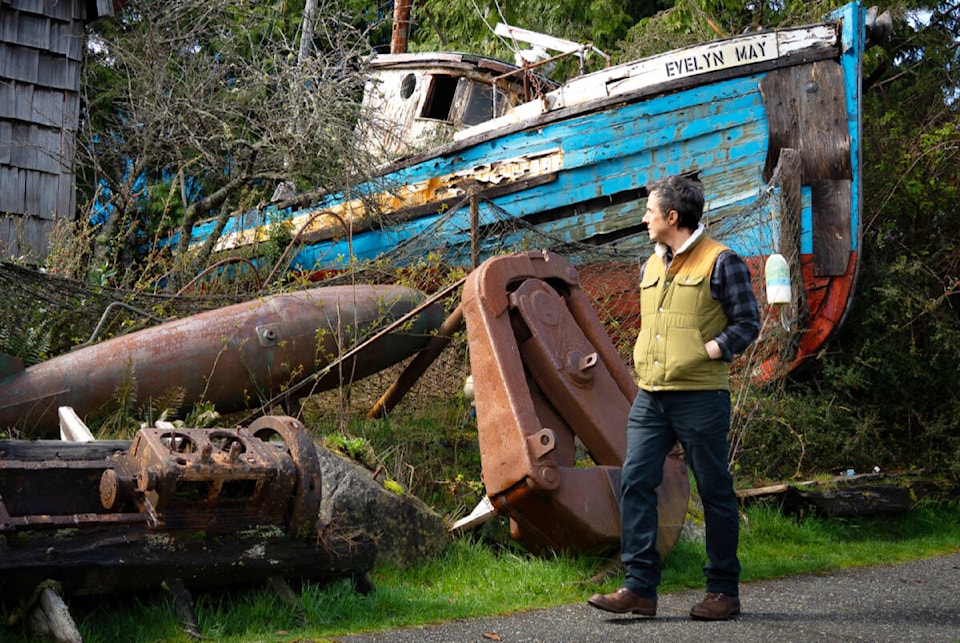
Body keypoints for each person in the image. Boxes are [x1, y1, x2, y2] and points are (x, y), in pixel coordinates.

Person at [587, 174, 760, 621]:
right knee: (636, 480)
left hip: (701, 395)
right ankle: (639, 589)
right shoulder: (649, 265)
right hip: (652, 394)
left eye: (649, 210)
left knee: (715, 489)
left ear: (672, 216)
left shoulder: (722, 262)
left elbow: (747, 323)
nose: (643, 216)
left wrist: (707, 352)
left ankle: (723, 591)